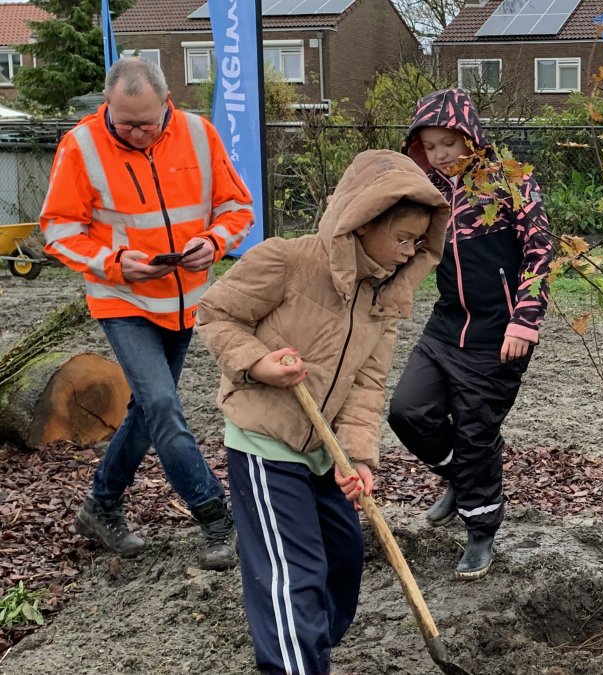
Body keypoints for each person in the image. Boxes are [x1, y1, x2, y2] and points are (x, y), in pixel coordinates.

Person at [196, 149, 448, 675]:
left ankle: (305, 648)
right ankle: (294, 664)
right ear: (362, 222)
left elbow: (368, 383)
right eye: (401, 238)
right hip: (267, 443)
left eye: (417, 243)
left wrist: (360, 459)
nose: (407, 252)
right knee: (294, 573)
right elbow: (216, 314)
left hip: (324, 451)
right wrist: (258, 363)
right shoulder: (287, 261)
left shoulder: (386, 295)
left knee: (341, 563)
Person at [39, 57, 253, 570]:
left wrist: (214, 240)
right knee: (162, 406)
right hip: (123, 299)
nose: (134, 132)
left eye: (146, 123)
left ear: (167, 106)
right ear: (106, 106)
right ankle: (214, 515)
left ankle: (101, 505)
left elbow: (237, 207)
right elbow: (58, 231)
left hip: (185, 300)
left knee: (147, 411)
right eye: (123, 121)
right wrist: (114, 263)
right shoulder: (81, 146)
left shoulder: (199, 135)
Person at [387, 89, 553, 579]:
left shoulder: (512, 182)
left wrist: (524, 319)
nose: (439, 155)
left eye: (447, 143)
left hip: (498, 332)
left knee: (477, 433)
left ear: (470, 137)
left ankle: (481, 532)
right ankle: (458, 478)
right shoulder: (428, 191)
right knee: (407, 410)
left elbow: (540, 253)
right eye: (429, 146)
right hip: (446, 323)